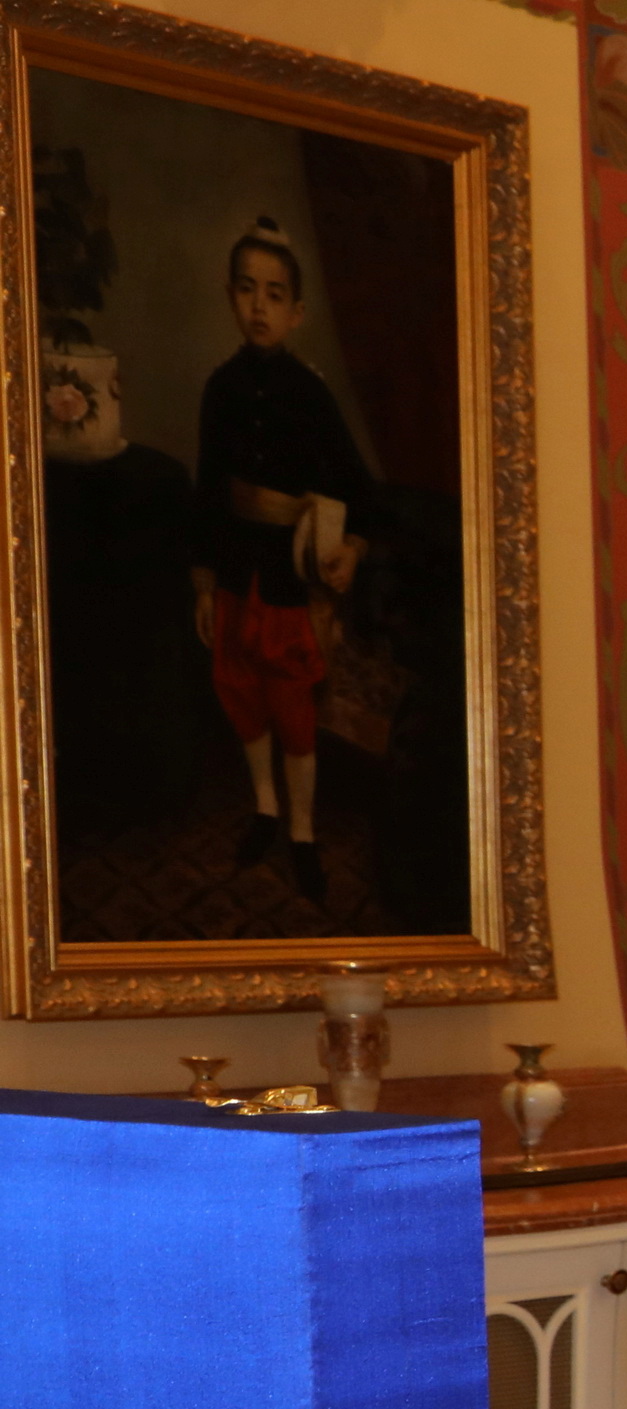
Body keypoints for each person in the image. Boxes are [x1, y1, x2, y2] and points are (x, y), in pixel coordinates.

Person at [190, 216, 373, 904]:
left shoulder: (310, 394)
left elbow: (358, 488)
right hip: (237, 571)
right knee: (243, 695)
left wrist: (350, 548)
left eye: (274, 294)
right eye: (246, 290)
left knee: (293, 707)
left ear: (296, 311)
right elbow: (208, 490)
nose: (258, 306)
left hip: (289, 579)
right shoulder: (220, 389)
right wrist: (205, 583)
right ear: (232, 297)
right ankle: (264, 808)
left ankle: (301, 830)